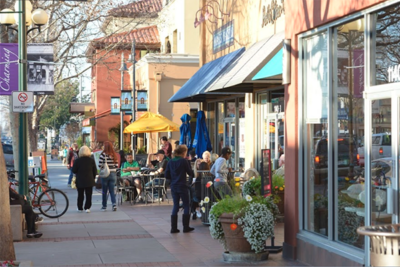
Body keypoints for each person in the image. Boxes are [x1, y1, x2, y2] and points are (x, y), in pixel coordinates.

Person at [165, 145, 195, 233]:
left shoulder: (170, 162)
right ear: (183, 152)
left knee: (175, 205)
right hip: (182, 185)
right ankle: (186, 227)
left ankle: (173, 228)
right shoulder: (184, 161)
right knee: (186, 205)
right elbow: (190, 173)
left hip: (173, 185)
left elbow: (166, 175)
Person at [72, 146, 97, 213]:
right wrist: (93, 178)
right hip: (89, 180)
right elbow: (95, 171)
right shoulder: (91, 160)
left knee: (80, 194)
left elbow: (74, 170)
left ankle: (80, 207)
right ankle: (87, 207)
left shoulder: (77, 161)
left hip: (80, 180)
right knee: (89, 194)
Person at [98, 141, 119, 211]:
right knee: (112, 190)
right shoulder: (114, 155)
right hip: (113, 174)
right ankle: (114, 204)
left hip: (105, 174)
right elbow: (116, 165)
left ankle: (104, 206)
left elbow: (99, 165)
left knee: (104, 191)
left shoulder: (103, 155)